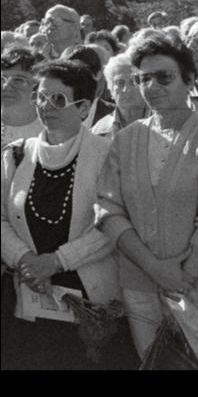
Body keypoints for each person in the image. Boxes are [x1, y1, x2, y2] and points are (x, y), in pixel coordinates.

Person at [95, 32, 198, 358]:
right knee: (153, 362)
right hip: (139, 281)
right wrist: (154, 268)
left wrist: (181, 277)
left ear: (189, 80)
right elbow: (107, 209)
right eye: (143, 78)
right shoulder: (125, 139)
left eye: (164, 77)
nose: (152, 86)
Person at [1, 59, 136, 369]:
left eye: (58, 98)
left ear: (84, 107)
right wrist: (25, 261)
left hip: (90, 307)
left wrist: (56, 262)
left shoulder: (107, 155)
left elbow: (112, 223)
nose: (46, 106)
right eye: (40, 96)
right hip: (29, 294)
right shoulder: (16, 155)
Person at [91, 53, 148, 138]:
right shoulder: (99, 131)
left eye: (134, 82)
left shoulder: (164, 123)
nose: (127, 89)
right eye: (120, 83)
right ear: (110, 89)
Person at [60, 45, 114, 127]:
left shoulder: (114, 115)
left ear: (98, 75)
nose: (75, 83)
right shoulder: (56, 115)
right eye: (68, 77)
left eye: (82, 76)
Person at [2, 48, 44, 148]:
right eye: (2, 78)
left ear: (38, 85)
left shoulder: (50, 131)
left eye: (18, 80)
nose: (6, 85)